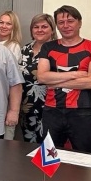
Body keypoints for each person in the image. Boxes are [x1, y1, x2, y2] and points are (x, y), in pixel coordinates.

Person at [38, 5, 91, 153]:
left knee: (85, 158)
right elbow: (41, 77)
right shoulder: (48, 47)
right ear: (57, 26)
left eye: (70, 21)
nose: (66, 26)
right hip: (52, 111)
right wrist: (75, 74)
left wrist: (54, 81)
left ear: (79, 23)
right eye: (61, 22)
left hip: (82, 112)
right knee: (49, 158)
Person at [19, 14, 56, 143]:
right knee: (29, 146)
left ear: (52, 30)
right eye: (36, 27)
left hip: (49, 108)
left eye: (44, 27)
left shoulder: (57, 50)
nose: (40, 30)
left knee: (47, 146)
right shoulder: (24, 50)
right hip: (26, 108)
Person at [0, 11, 22, 140]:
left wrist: (12, 110)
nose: (4, 26)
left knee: (6, 139)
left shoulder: (13, 46)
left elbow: (12, 79)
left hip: (6, 99)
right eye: (1, 22)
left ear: (14, 27)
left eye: (8, 24)